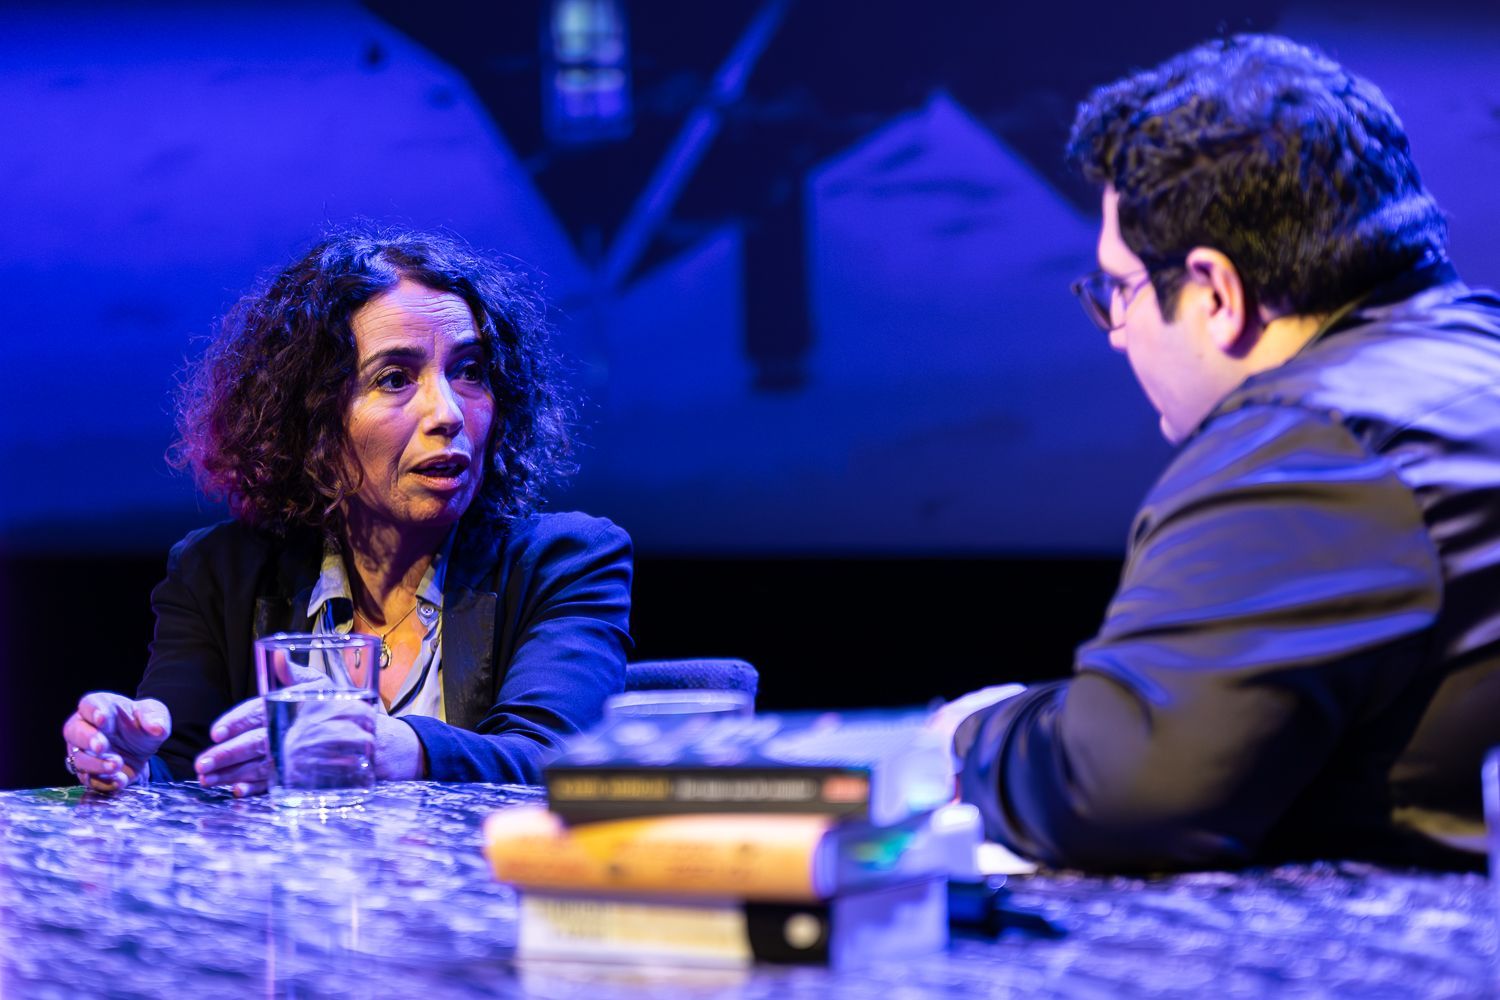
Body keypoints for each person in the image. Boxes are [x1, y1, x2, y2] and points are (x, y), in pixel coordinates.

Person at [949, 35, 1500, 871]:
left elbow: (1124, 790)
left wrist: (972, 732)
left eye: (1122, 290)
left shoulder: (1315, 445)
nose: (1117, 333)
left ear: (1216, 291)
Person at [60, 227, 633, 795]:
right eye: (394, 379)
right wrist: (129, 767)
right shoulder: (218, 575)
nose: (449, 412)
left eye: (470, 370)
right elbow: (183, 766)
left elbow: (558, 758)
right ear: (315, 425)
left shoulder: (563, 562)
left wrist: (393, 748)